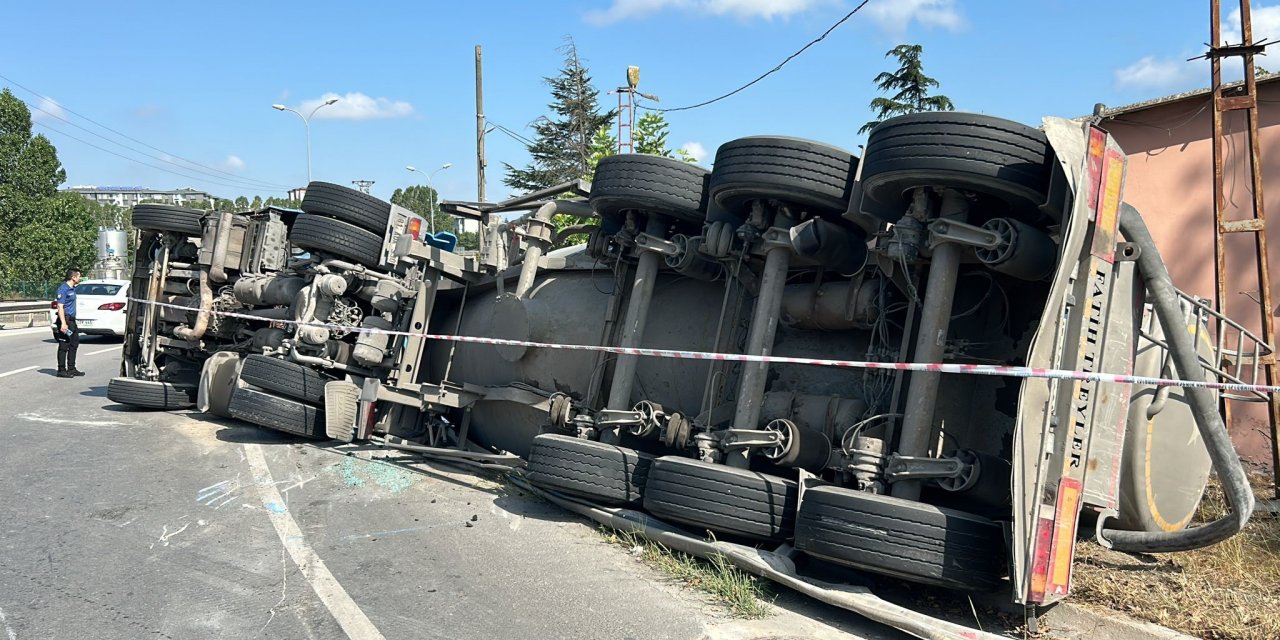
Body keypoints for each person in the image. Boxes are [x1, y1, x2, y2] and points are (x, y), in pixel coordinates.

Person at [54, 268, 84, 378]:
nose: (80, 278)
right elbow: (60, 307)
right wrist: (63, 323)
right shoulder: (63, 289)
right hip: (65, 320)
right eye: (79, 276)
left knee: (74, 343)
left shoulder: (72, 288)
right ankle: (61, 369)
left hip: (72, 320)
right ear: (73, 277)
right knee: (64, 344)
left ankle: (71, 368)